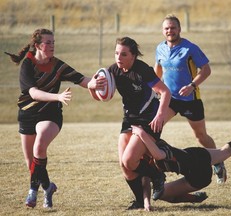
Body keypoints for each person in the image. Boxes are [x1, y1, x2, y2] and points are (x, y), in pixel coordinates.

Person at [5, 28, 104, 208]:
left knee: (40, 144)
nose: (52, 46)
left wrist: (94, 83)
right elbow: (33, 93)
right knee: (32, 163)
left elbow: (81, 79)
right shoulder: (28, 64)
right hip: (27, 113)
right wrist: (58, 96)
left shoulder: (58, 65)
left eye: (53, 42)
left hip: (50, 114)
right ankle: (48, 187)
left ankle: (32, 192)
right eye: (47, 42)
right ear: (37, 45)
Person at [88, 37, 171, 210]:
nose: (119, 57)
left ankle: (157, 175)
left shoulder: (143, 70)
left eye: (123, 54)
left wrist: (161, 114)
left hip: (150, 119)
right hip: (130, 120)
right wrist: (92, 87)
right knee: (124, 166)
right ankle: (140, 201)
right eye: (117, 53)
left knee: (129, 160)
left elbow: (165, 92)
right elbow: (101, 97)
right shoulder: (113, 71)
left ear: (133, 56)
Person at [154, 14, 227, 184]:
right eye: (166, 28)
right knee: (154, 128)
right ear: (163, 31)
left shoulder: (190, 48)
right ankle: (155, 168)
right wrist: (155, 89)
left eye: (173, 28)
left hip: (190, 100)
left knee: (201, 136)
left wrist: (191, 86)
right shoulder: (160, 48)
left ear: (179, 29)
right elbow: (157, 70)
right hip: (169, 99)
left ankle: (218, 162)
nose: (169, 31)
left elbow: (206, 70)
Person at [131, 125, 231, 204]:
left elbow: (159, 155)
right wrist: (146, 203)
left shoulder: (159, 151)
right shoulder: (148, 156)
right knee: (225, 151)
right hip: (196, 154)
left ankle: (195, 198)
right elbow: (145, 180)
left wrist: (140, 133)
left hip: (199, 175)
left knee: (162, 194)